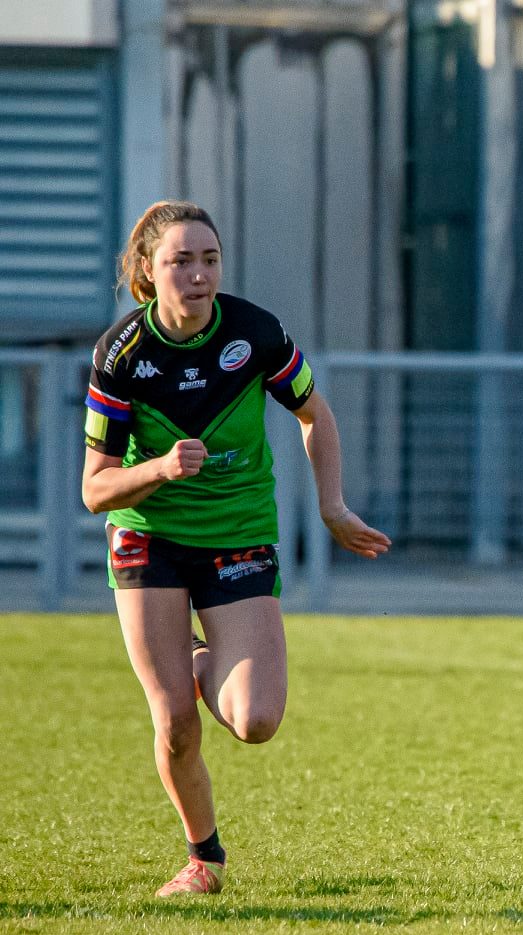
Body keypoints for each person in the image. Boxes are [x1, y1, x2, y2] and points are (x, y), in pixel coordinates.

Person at [82, 201, 390, 896]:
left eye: (209, 260)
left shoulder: (254, 333)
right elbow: (95, 490)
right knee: (177, 724)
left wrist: (333, 506)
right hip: (148, 536)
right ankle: (203, 861)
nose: (198, 275)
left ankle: (188, 659)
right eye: (181, 261)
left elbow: (315, 413)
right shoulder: (121, 355)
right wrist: (158, 469)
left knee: (255, 721)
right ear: (147, 271)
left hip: (238, 533)